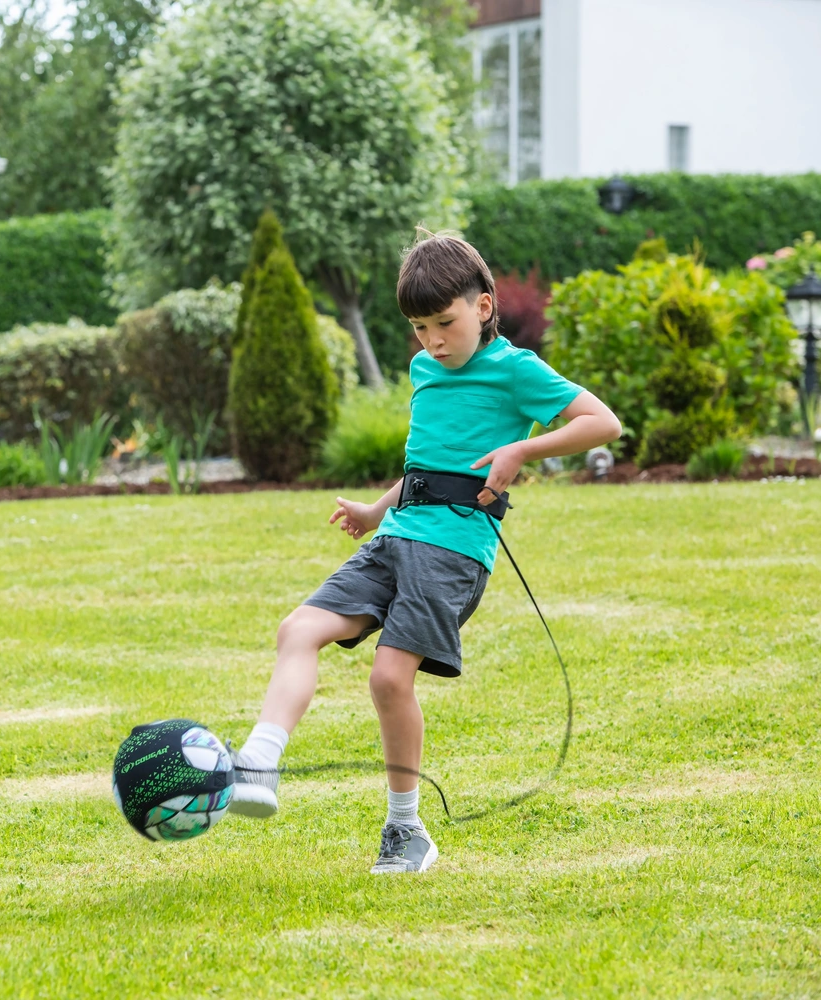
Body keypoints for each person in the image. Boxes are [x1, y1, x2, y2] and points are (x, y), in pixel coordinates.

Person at [227, 230, 622, 874]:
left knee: (389, 677)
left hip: (455, 550)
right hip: (398, 534)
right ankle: (259, 765)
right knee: (297, 629)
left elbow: (601, 422)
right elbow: (426, 465)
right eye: (419, 327)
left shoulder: (515, 370)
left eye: (446, 322)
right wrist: (374, 510)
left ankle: (406, 830)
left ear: (484, 307)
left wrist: (521, 449)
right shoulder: (424, 370)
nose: (434, 341)